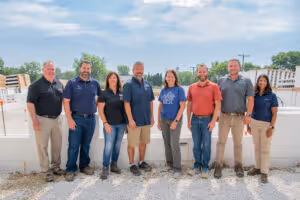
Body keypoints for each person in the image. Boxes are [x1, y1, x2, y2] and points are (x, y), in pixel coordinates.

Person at [214, 58, 254, 179]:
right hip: (224, 116)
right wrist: (216, 114)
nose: (233, 68)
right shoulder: (221, 81)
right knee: (221, 142)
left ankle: (238, 166)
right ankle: (218, 166)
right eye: (230, 66)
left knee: (238, 143)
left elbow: (251, 99)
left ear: (239, 67)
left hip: (239, 117)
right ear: (228, 68)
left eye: (235, 66)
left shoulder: (246, 81)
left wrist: (249, 115)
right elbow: (216, 99)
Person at [63, 60, 102, 182]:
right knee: (74, 145)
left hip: (91, 119)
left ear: (91, 70)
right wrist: (69, 119)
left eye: (88, 68)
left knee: (86, 145)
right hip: (76, 119)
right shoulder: (71, 83)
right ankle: (70, 169)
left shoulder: (95, 83)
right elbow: (66, 102)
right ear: (80, 69)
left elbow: (99, 99)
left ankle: (84, 166)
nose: (86, 70)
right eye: (84, 68)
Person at [27, 61, 65, 182]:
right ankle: (45, 170)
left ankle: (56, 167)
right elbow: (30, 103)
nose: (51, 71)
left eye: (53, 69)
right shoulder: (35, 86)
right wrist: (34, 120)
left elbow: (64, 100)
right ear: (43, 70)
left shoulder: (59, 83)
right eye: (48, 69)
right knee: (42, 146)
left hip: (57, 119)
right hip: (42, 119)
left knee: (57, 146)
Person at [187, 64, 222, 178]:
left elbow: (218, 105)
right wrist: (188, 120)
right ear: (196, 73)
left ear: (207, 72)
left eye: (204, 72)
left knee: (206, 145)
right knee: (196, 145)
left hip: (207, 119)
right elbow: (189, 104)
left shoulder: (214, 86)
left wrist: (213, 121)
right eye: (199, 72)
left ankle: (205, 167)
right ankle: (197, 166)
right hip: (195, 119)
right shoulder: (192, 87)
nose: (202, 74)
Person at [123, 61, 155, 176]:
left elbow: (151, 101)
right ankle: (132, 164)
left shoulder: (148, 84)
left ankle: (141, 162)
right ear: (133, 70)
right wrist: (130, 120)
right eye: (137, 69)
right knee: (132, 143)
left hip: (146, 120)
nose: (139, 71)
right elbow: (126, 103)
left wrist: (152, 117)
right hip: (134, 121)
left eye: (141, 69)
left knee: (143, 142)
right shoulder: (128, 85)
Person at [247, 74, 278, 183]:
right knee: (257, 147)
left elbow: (274, 113)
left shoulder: (272, 96)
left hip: (266, 125)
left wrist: (271, 127)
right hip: (254, 123)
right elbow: (249, 110)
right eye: (260, 80)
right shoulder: (254, 95)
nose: (262, 82)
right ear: (258, 82)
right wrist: (248, 125)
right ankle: (257, 167)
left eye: (264, 80)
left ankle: (264, 172)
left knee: (265, 149)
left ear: (267, 82)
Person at [157, 70, 186, 178]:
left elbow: (183, 106)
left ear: (175, 78)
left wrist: (176, 121)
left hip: (175, 120)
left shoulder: (179, 90)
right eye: (168, 76)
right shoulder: (163, 90)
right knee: (167, 143)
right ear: (165, 78)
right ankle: (169, 165)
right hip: (164, 119)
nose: (170, 78)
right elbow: (160, 106)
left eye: (172, 76)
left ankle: (177, 168)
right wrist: (159, 120)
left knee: (174, 144)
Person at [98, 72, 127, 180]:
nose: (113, 79)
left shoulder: (122, 93)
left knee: (117, 146)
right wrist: (105, 123)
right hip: (109, 125)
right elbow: (100, 110)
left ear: (117, 80)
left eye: (115, 78)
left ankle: (114, 165)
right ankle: (105, 167)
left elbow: (126, 109)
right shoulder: (104, 93)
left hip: (121, 124)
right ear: (108, 80)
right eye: (111, 78)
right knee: (108, 146)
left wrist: (127, 123)